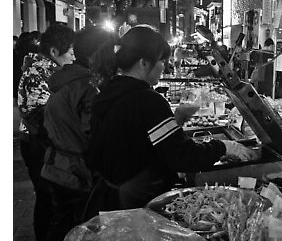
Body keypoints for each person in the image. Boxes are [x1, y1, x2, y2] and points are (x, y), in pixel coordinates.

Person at [84, 26, 258, 217]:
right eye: (161, 60)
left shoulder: (109, 93)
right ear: (143, 63)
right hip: (136, 205)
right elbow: (181, 156)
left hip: (108, 200)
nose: (164, 67)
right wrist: (224, 147)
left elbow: (133, 141)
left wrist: (175, 122)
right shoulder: (147, 99)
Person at [36, 26, 114, 241]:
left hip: (55, 167)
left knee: (59, 229)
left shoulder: (65, 81)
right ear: (95, 54)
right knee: (70, 234)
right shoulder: (86, 88)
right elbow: (93, 136)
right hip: (73, 173)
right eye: (109, 51)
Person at [17, 25, 76, 241]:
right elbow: (38, 115)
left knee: (49, 198)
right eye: (70, 51)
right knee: (47, 198)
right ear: (54, 51)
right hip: (37, 144)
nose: (73, 56)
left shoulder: (46, 70)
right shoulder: (40, 72)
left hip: (41, 142)